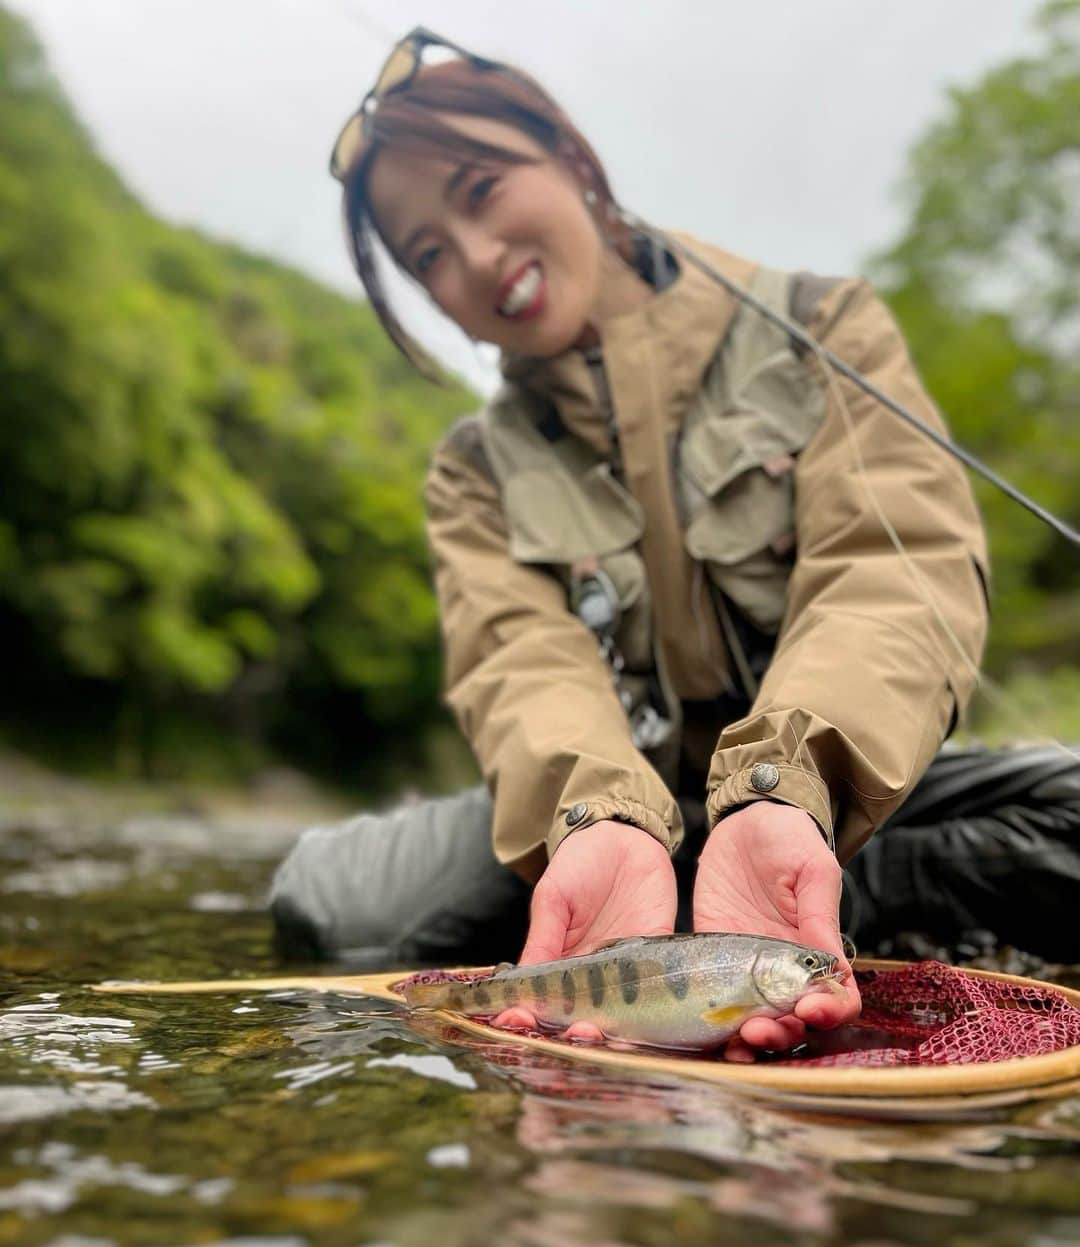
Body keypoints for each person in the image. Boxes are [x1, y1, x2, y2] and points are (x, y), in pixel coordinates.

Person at [270, 29, 1080, 1059]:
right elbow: (521, 668)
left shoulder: (827, 328)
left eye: (479, 190)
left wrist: (783, 791)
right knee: (329, 901)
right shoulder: (472, 471)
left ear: (567, 156)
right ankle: (704, 930)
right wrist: (601, 823)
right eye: (427, 254)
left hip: (822, 803)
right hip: (595, 838)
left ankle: (821, 897)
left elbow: (893, 580)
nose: (472, 259)